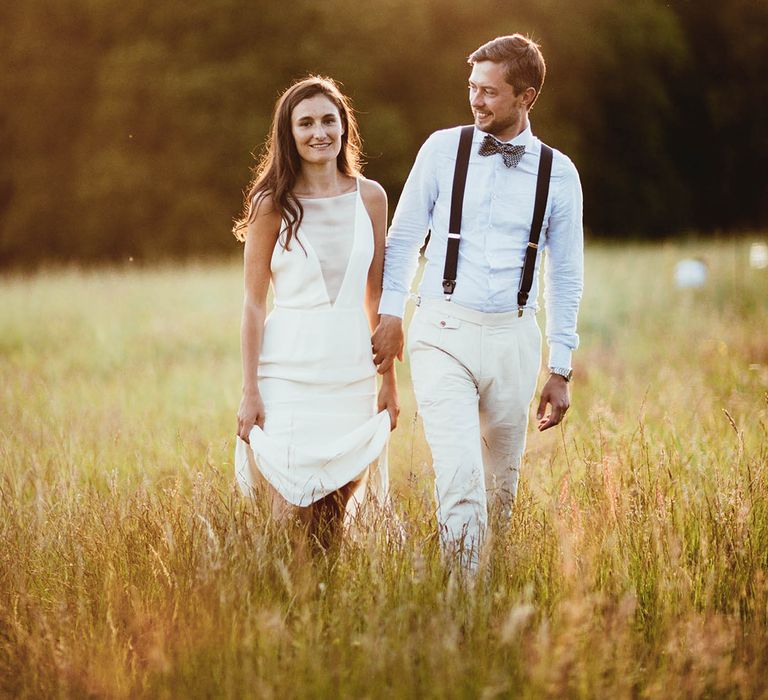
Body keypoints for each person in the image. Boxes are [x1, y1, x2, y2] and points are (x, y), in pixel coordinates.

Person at [372, 35, 584, 568]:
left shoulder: (559, 173)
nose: (476, 101)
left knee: (500, 491)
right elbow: (402, 238)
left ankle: (492, 609)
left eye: (489, 92)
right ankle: (462, 613)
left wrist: (560, 368)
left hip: (515, 338)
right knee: (461, 479)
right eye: (472, 88)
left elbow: (566, 275)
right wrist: (391, 313)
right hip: (443, 331)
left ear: (526, 97)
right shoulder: (442, 149)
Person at [233, 76, 399, 546]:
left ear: (344, 128)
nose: (318, 131)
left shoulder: (371, 197)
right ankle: (284, 600)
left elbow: (377, 298)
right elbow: (252, 302)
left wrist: (388, 384)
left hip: (350, 373)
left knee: (338, 506)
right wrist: (250, 391)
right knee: (290, 503)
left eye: (329, 120)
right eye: (305, 123)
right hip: (287, 373)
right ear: (289, 134)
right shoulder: (271, 204)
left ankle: (326, 603)